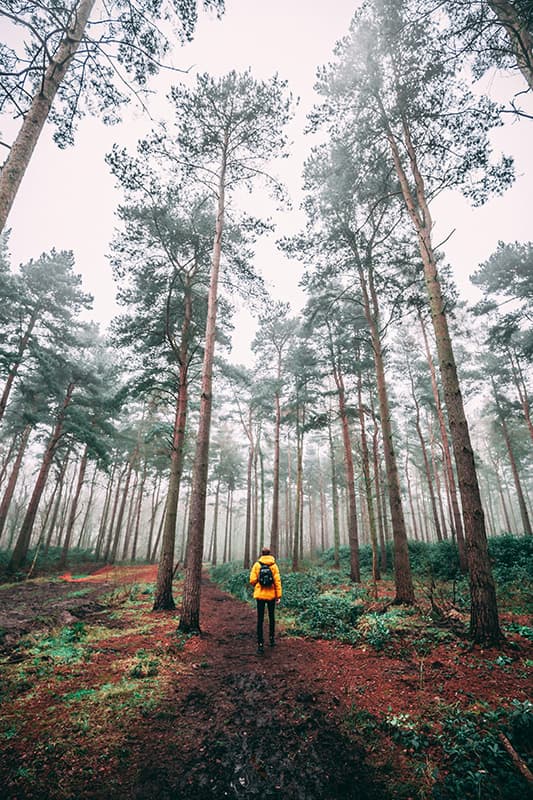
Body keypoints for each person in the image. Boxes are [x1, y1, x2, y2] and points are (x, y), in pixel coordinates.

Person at [249, 547, 282, 655]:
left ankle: (260, 644)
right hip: (271, 596)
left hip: (260, 596)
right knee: (272, 617)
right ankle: (272, 640)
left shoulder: (257, 565)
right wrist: (278, 596)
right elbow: (277, 582)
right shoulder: (274, 566)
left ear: (262, 554)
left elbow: (252, 580)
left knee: (260, 619)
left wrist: (258, 583)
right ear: (270, 554)